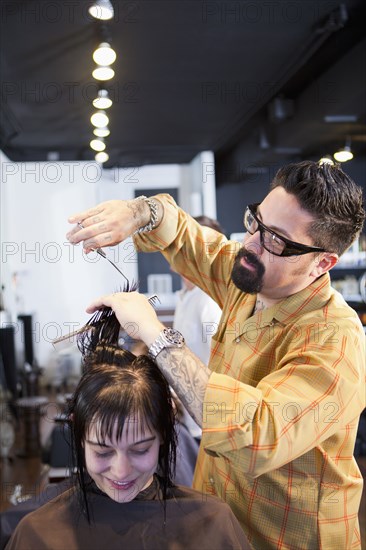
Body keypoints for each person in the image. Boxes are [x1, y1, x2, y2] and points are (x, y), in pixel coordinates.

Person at [66, 161, 366, 549]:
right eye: (255, 220)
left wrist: (155, 335)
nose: (251, 242)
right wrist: (138, 212)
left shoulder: (335, 341)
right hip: (220, 523)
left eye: (276, 239)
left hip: (284, 538)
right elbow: (185, 237)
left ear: (322, 263)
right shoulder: (252, 277)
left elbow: (256, 436)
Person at [5, 309, 250, 550]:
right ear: (79, 435)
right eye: (103, 452)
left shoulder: (213, 524)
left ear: (164, 433)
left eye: (140, 450)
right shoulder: (37, 534)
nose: (121, 472)